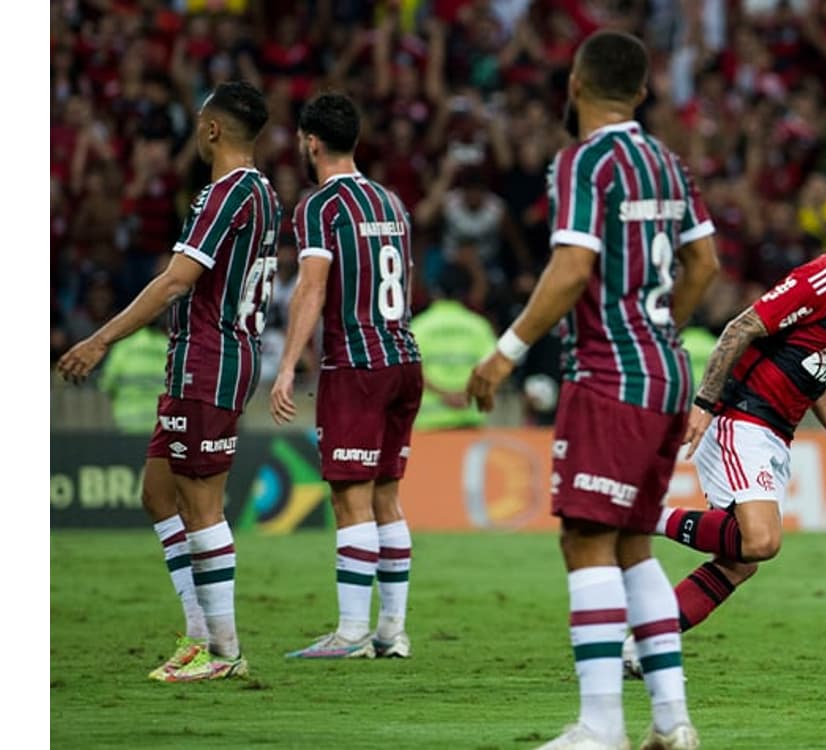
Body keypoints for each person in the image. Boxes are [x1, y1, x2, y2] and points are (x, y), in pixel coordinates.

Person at [466, 30, 719, 750]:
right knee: (634, 545)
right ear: (641, 92)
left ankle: (600, 725)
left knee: (586, 541)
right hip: (667, 368)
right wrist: (661, 320)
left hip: (610, 372)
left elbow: (573, 267)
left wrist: (507, 351)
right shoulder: (669, 163)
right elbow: (705, 261)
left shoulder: (584, 161)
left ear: (574, 84)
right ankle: (671, 723)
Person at [628, 186, 826, 672]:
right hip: (741, 415)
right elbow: (740, 328)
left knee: (740, 560)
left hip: (773, 432)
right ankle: (642, 516)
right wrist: (706, 405)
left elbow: (812, 368)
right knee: (761, 540)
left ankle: (644, 644)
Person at [57, 80, 280, 682]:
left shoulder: (224, 195)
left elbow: (177, 280)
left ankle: (224, 652)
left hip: (210, 356)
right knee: (158, 494)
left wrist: (101, 337)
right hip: (203, 355)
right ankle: (198, 633)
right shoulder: (263, 193)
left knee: (203, 506)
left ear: (211, 130)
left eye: (200, 123)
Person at [270, 93, 424, 660]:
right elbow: (402, 283)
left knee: (349, 498)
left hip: (357, 365)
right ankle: (392, 631)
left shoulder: (319, 206)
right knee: (387, 496)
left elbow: (311, 285)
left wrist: (287, 365)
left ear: (310, 141)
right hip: (404, 357)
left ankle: (353, 632)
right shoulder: (393, 202)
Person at [409, 266, 497, 431]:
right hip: (469, 420)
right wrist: (467, 394)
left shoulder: (418, 326)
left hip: (429, 426)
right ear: (464, 293)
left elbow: (411, 371)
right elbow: (493, 367)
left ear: (434, 292)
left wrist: (444, 395)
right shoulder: (479, 326)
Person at [98, 315, 171, 433]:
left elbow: (107, 382)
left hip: (127, 422)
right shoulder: (167, 346)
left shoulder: (124, 347)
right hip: (160, 424)